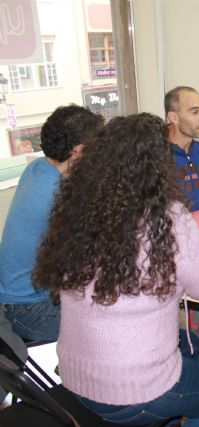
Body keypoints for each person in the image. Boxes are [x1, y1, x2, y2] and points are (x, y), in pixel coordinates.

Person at [32, 113, 199, 426]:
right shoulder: (168, 217)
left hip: (76, 378)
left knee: (191, 345)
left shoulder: (77, 206)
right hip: (136, 390)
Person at [0, 105, 104, 342]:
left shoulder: (38, 167)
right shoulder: (59, 196)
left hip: (16, 297)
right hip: (29, 310)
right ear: (78, 152)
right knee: (114, 329)